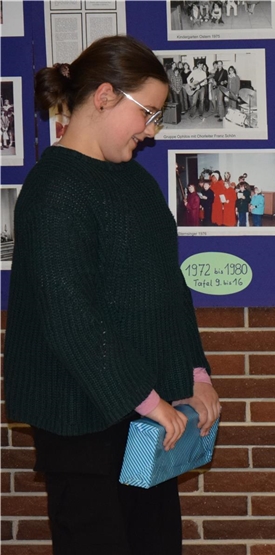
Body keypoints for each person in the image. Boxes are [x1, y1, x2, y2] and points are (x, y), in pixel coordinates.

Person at [2, 35, 221, 555]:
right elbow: (68, 317)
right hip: (81, 422)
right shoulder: (53, 189)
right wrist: (145, 399)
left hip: (145, 415)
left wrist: (196, 374)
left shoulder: (135, 182)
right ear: (103, 96)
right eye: (146, 113)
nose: (150, 131)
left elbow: (169, 287)